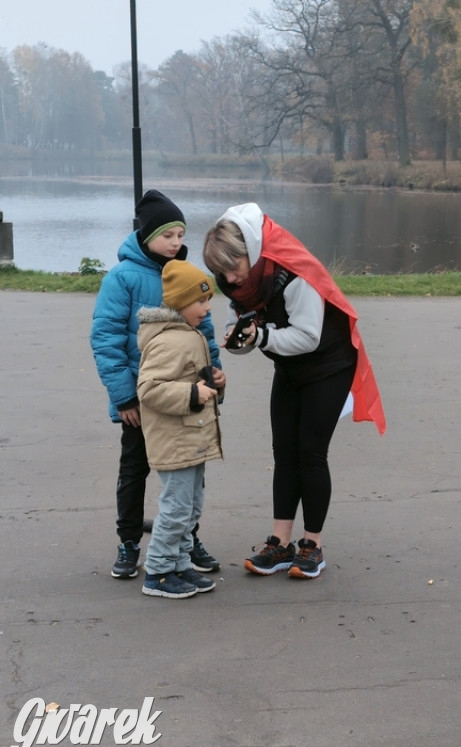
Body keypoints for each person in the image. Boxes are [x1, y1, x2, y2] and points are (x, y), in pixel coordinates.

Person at [203, 202, 386, 579]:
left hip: (330, 363)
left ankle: (312, 547)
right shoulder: (238, 280)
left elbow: (307, 335)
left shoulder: (292, 268)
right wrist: (240, 340)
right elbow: (238, 334)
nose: (230, 280)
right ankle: (279, 543)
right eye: (220, 273)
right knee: (284, 451)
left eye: (232, 270)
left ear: (249, 255)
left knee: (311, 453)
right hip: (289, 365)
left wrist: (262, 335)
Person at [90, 189, 224, 580]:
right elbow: (106, 340)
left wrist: (214, 376)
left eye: (181, 235)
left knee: (188, 469)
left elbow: (206, 332)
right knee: (135, 468)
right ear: (146, 234)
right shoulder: (123, 277)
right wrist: (125, 397)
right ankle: (129, 541)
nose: (176, 243)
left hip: (186, 401)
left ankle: (186, 539)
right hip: (141, 398)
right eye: (168, 235)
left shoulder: (187, 275)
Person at [137, 260, 224, 598]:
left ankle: (180, 562)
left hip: (193, 436)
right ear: (178, 302)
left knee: (190, 507)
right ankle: (157, 572)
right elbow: (149, 389)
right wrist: (192, 393)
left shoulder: (190, 335)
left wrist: (214, 382)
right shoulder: (167, 341)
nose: (206, 308)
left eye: (208, 301)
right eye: (200, 301)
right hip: (175, 440)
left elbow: (194, 381)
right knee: (175, 507)